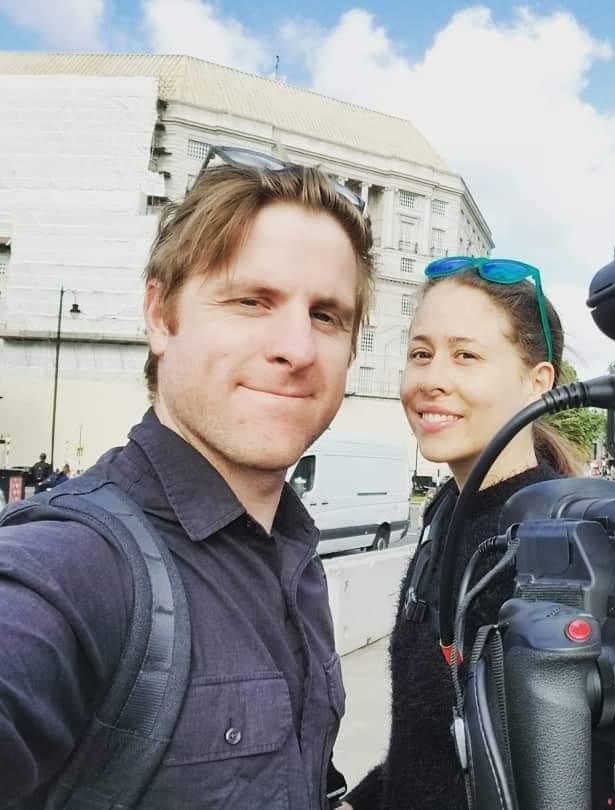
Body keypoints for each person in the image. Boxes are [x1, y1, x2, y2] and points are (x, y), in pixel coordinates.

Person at [0, 149, 374, 808]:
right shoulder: (73, 566)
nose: (297, 347)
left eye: (326, 315)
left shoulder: (295, 559)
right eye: (251, 301)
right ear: (160, 317)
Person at [342, 257, 581, 810]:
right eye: (420, 354)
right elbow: (435, 746)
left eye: (465, 355)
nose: (431, 380)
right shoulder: (447, 510)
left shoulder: (548, 545)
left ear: (537, 384)